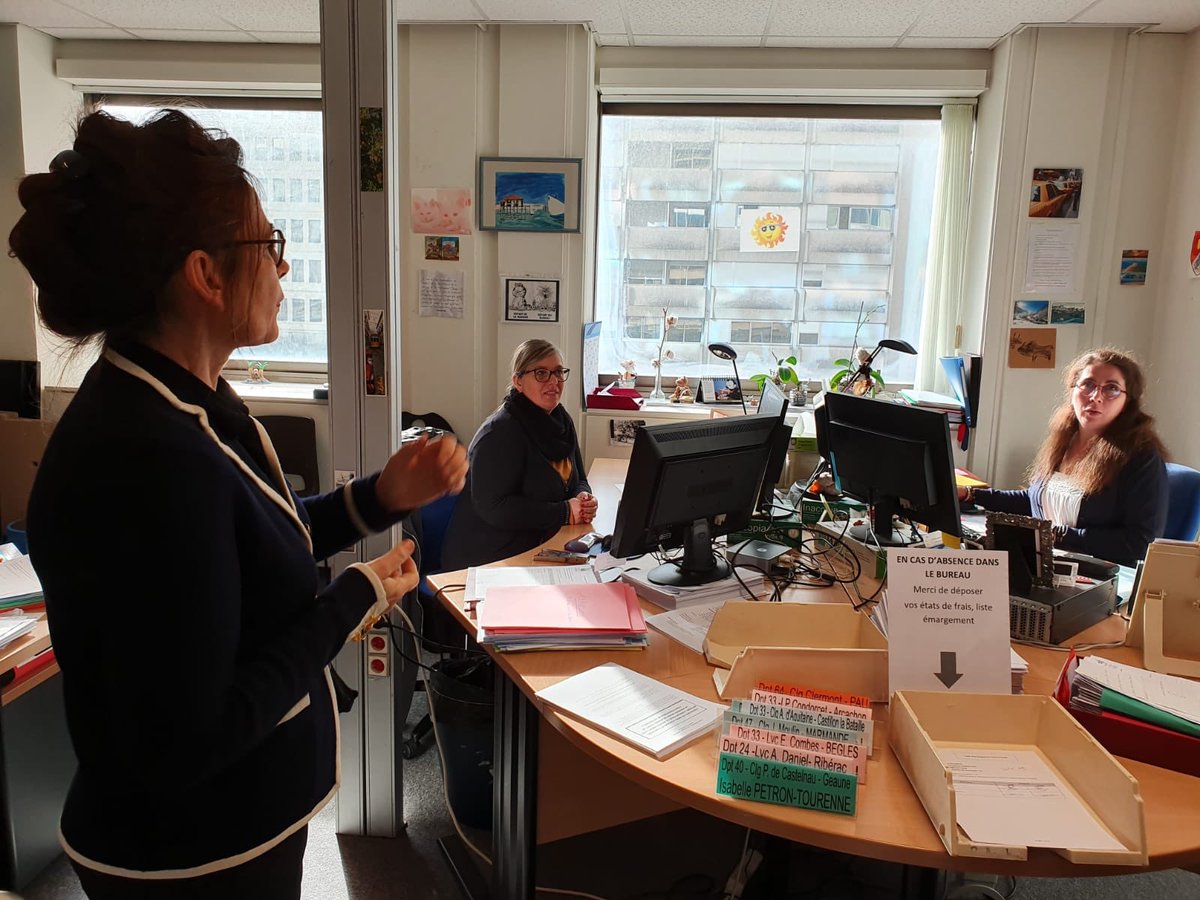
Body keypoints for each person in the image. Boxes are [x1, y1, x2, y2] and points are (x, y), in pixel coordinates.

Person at [8, 109, 468, 899]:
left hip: (228, 827)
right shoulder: (147, 457)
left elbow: (254, 543)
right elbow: (201, 730)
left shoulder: (185, 400)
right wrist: (353, 597)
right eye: (269, 245)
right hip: (191, 856)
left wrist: (382, 497)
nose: (283, 268)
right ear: (207, 275)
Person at [966, 348, 1168, 567]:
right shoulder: (1064, 439)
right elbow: (1035, 501)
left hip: (1099, 573)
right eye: (1088, 384)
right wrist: (971, 495)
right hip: (1045, 563)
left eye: (1111, 388)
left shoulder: (1141, 458)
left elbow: (1141, 542)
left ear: (1128, 402)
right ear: (1073, 390)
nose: (1095, 397)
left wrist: (1057, 535)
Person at [442, 339, 596, 569]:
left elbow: (579, 479)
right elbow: (494, 508)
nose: (554, 381)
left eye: (558, 372)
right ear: (518, 381)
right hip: (491, 558)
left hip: (540, 543)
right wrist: (564, 512)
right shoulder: (499, 432)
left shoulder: (562, 422)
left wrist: (583, 498)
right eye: (541, 373)